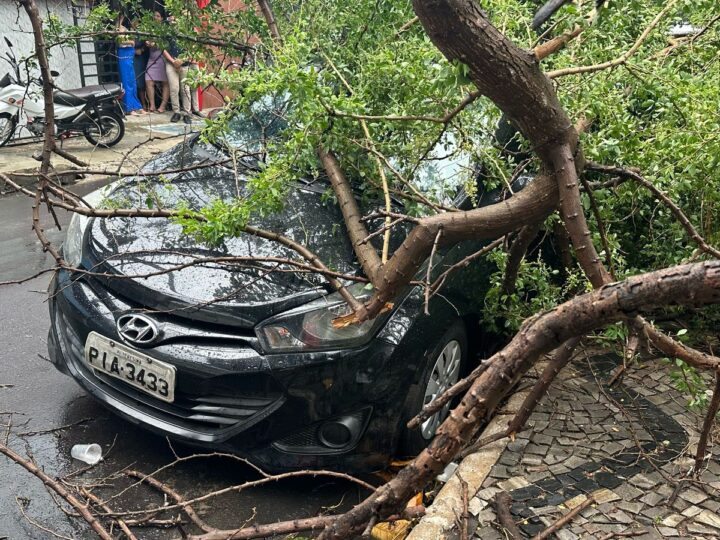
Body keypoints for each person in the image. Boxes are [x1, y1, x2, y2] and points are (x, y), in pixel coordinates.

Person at [163, 16, 202, 124]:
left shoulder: (186, 32)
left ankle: (187, 113)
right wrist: (173, 61)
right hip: (171, 63)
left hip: (185, 63)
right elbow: (163, 49)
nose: (172, 21)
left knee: (185, 89)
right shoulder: (166, 32)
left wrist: (181, 60)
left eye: (174, 19)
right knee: (174, 88)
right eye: (170, 19)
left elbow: (191, 49)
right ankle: (176, 112)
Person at [116, 15, 145, 116]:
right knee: (127, 82)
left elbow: (132, 41)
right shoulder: (119, 27)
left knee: (133, 82)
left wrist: (131, 42)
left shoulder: (127, 28)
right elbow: (120, 41)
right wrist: (131, 42)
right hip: (124, 55)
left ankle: (136, 106)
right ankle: (128, 107)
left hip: (129, 55)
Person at [144, 11, 169, 113]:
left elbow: (166, 44)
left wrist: (155, 44)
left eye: (158, 16)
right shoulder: (150, 29)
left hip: (162, 58)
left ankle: (163, 106)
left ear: (162, 18)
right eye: (154, 15)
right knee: (148, 80)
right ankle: (152, 105)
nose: (155, 17)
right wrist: (147, 42)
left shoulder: (165, 30)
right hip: (152, 58)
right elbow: (146, 40)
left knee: (165, 83)